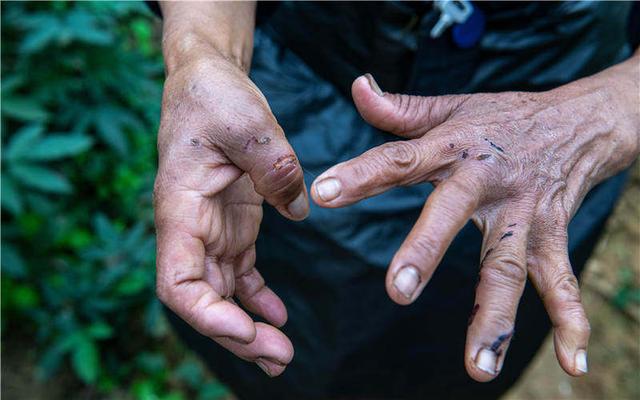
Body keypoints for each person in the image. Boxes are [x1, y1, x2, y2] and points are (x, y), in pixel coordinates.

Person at [151, 2, 639, 399]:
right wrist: (204, 52)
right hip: (304, 66)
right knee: (276, 308)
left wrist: (596, 118)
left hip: (554, 111)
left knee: (446, 345)